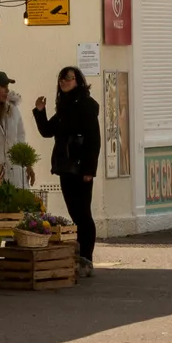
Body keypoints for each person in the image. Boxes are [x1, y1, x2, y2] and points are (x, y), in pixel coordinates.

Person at [32, 67, 103, 277]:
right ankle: (80, 256)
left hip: (81, 168)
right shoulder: (64, 107)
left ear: (78, 81)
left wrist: (89, 169)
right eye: (62, 79)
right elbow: (47, 131)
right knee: (74, 212)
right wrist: (40, 111)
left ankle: (86, 258)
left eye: (69, 78)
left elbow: (94, 140)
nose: (64, 82)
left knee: (83, 213)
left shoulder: (87, 105)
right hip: (65, 167)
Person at [0, 70, 29, 187]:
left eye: (7, 86)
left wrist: (28, 164)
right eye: (3, 87)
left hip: (15, 171)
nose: (7, 90)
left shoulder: (13, 109)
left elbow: (20, 137)